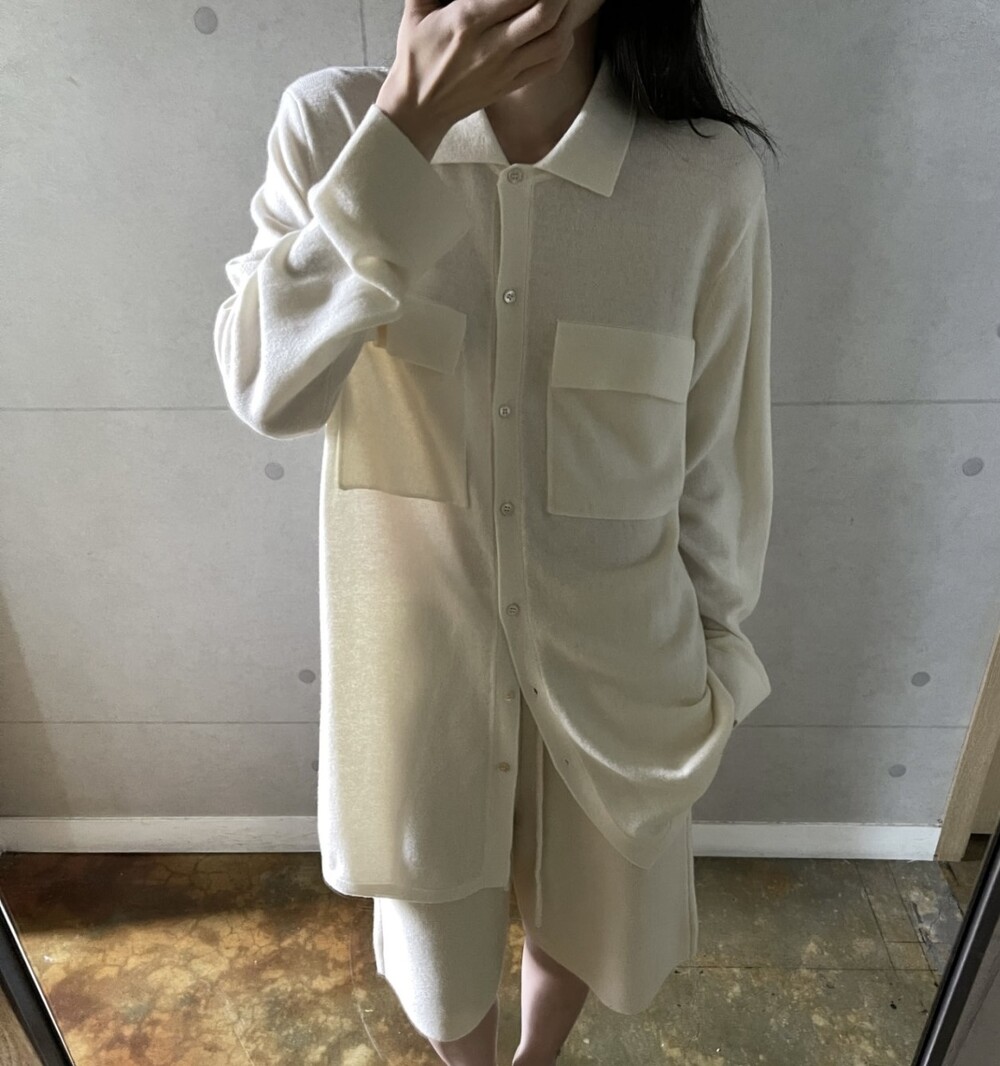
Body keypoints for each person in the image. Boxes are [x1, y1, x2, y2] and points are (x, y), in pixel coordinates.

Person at [214, 1, 778, 1063]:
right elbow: (265, 385)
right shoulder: (335, 127)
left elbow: (719, 460)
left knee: (589, 917)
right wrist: (404, 131)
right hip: (419, 686)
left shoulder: (706, 180)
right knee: (438, 949)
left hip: (628, 677)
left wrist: (719, 670)